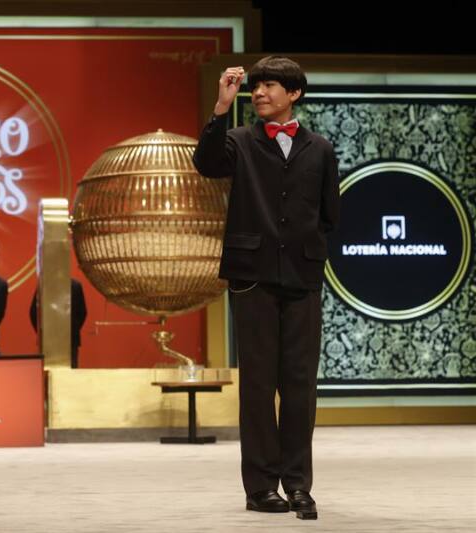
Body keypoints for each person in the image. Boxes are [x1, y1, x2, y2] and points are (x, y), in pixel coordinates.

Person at [192, 56, 340, 520]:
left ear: (294, 93)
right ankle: (260, 487)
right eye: (254, 87)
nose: (259, 93)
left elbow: (330, 213)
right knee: (258, 385)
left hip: (302, 275)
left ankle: (299, 485)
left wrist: (308, 245)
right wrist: (221, 106)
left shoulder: (320, 148)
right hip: (251, 275)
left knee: (300, 386)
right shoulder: (237, 140)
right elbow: (207, 162)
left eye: (269, 86)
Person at [29, 278, 87, 368]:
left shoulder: (44, 285)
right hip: (70, 339)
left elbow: (34, 312)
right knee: (70, 372)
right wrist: (73, 329)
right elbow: (82, 312)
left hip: (49, 337)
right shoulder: (76, 286)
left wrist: (42, 333)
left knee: (48, 371)